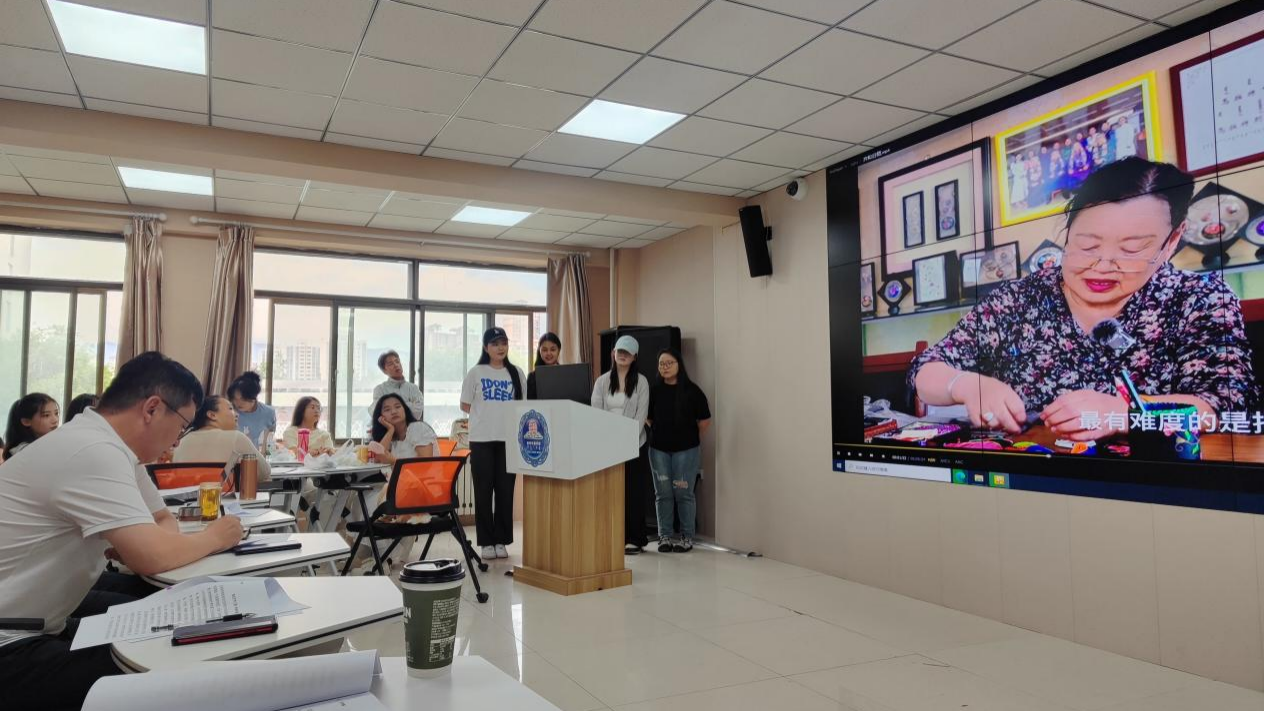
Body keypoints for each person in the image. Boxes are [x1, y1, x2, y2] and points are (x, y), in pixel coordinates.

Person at [909, 157, 1256, 443]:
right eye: (1087, 245)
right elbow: (925, 369)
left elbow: (1226, 404)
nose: (1102, 265)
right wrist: (964, 384)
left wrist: (1125, 413)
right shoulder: (1019, 299)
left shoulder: (1199, 298)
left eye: (1131, 250)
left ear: (1172, 241)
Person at [0, 352, 243, 711]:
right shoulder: (92, 449)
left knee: (174, 627)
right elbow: (152, 555)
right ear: (152, 409)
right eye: (182, 425)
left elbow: (162, 521)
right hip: (12, 641)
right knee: (179, 670)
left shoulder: (114, 449)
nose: (178, 440)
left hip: (41, 621)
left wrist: (154, 543)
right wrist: (215, 536)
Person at [460, 327, 527, 562]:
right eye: (495, 343)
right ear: (486, 347)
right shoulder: (476, 372)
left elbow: (522, 405)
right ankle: (486, 542)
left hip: (508, 440)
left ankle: (501, 540)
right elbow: (465, 405)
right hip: (482, 440)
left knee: (505, 492)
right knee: (483, 492)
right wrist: (485, 414)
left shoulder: (516, 373)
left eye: (504, 343)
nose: (500, 348)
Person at [647, 348, 712, 553]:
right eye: (661, 364)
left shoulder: (692, 391)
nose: (665, 367)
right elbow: (648, 418)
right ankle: (664, 536)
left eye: (669, 363)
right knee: (663, 494)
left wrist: (688, 437)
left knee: (684, 494)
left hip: (686, 450)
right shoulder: (654, 390)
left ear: (679, 365)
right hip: (658, 450)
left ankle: (686, 536)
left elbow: (705, 420)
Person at [591, 335, 651, 554]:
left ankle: (635, 538)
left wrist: (626, 440)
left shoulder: (641, 382)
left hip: (634, 443)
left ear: (634, 357)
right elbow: (596, 411)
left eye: (627, 352)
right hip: (607, 444)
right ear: (613, 354)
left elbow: (641, 415)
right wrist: (608, 440)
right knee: (610, 491)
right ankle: (613, 535)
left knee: (633, 492)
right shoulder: (602, 381)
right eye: (620, 351)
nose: (623, 355)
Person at [173, 395, 272, 483]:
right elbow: (264, 472)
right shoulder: (236, 438)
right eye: (230, 408)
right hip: (222, 497)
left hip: (187, 497)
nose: (236, 414)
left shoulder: (181, 441)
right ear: (212, 415)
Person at [4, 393, 60, 460]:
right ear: (26, 421)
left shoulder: (47, 443)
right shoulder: (24, 451)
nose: (55, 420)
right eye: (46, 415)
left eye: (56, 413)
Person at [227, 371, 275, 447]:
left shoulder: (269, 413)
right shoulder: (229, 412)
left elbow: (269, 443)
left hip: (260, 454)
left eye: (243, 399)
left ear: (254, 396)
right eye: (234, 398)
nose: (238, 403)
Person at [372, 350, 424, 420]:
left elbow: (417, 413)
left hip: (411, 426)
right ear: (384, 371)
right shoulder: (380, 389)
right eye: (390, 364)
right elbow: (378, 414)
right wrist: (409, 404)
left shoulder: (413, 388)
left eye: (397, 361)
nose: (396, 365)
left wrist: (392, 408)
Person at [526, 332, 562, 400]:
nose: (548, 353)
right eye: (545, 350)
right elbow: (530, 402)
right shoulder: (532, 377)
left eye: (553, 349)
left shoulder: (565, 374)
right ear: (539, 351)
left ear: (559, 350)